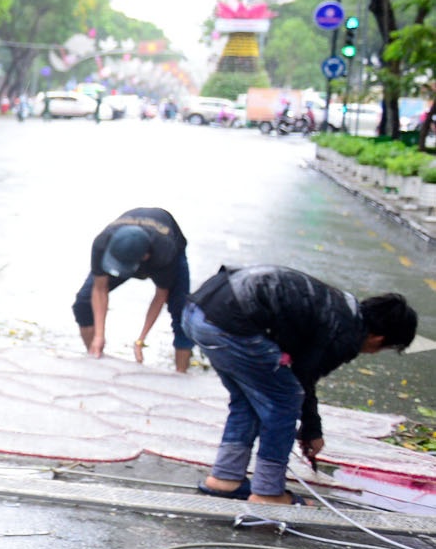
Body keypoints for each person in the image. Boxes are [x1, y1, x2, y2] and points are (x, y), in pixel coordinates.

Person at [182, 266, 415, 505]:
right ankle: (268, 493)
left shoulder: (341, 307)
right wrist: (312, 429)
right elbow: (303, 378)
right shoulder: (345, 332)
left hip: (198, 312)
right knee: (284, 400)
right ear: (379, 339)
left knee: (249, 398)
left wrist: (310, 426)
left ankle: (225, 479)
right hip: (230, 324)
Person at [72, 207, 194, 372]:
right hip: (122, 250)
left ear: (145, 258)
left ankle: (181, 375)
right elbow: (99, 289)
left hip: (168, 247)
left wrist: (140, 340)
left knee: (182, 315)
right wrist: (99, 335)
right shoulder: (102, 242)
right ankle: (94, 355)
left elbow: (161, 295)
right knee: (83, 303)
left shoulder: (164, 252)